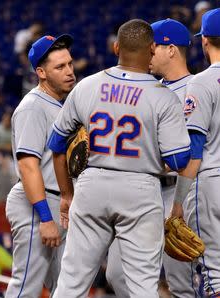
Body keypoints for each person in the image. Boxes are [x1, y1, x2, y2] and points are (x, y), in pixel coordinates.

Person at [48, 19, 191, 297]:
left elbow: (56, 142)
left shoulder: (86, 86)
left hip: (92, 184)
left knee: (71, 283)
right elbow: (179, 161)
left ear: (116, 48)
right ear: (152, 49)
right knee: (142, 287)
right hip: (140, 187)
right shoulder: (163, 97)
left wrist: (66, 192)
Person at [105, 18, 196, 298]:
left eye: (153, 47)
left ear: (171, 50)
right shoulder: (148, 88)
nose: (147, 52)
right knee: (117, 273)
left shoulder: (197, 87)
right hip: (144, 191)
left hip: (179, 192)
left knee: (182, 282)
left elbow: (193, 152)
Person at [5, 34, 75, 297]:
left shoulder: (59, 105)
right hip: (37, 203)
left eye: (69, 64)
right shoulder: (33, 107)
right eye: (60, 67)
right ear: (41, 72)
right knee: (26, 287)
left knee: (67, 288)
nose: (69, 71)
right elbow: (27, 166)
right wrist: (45, 218)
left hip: (60, 203)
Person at [170, 8, 220, 297]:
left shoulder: (200, 82)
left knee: (214, 271)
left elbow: (195, 150)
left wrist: (178, 203)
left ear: (204, 42)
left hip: (211, 182)